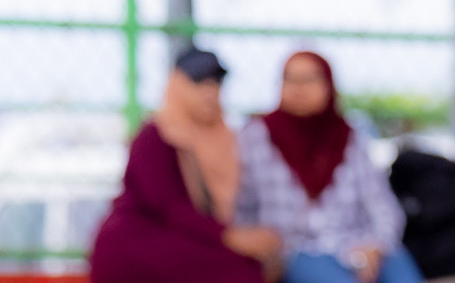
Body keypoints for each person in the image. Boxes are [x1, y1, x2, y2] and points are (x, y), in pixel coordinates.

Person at [90, 46, 283, 283]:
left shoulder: (224, 137)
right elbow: (167, 206)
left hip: (188, 239)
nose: (209, 91)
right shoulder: (156, 136)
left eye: (216, 83)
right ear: (177, 85)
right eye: (198, 82)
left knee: (254, 266)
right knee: (241, 274)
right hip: (140, 241)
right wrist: (230, 237)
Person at [235, 51, 423, 283]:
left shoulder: (350, 138)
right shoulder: (257, 136)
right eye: (290, 79)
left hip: (357, 243)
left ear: (328, 85)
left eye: (308, 79)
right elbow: (241, 208)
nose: (298, 88)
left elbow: (383, 206)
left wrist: (375, 246)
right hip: (297, 249)